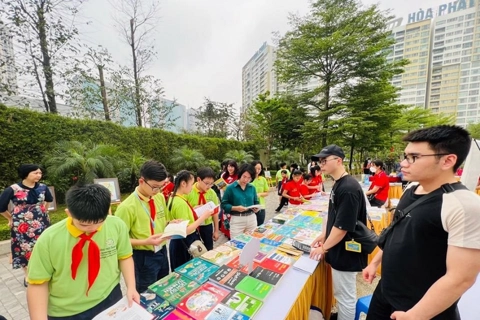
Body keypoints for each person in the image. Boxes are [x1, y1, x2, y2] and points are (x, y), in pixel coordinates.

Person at [363, 125, 480, 320]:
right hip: (385, 294)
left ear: (447, 160)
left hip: (422, 308)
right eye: (405, 156)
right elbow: (397, 234)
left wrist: (417, 315)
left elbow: (461, 278)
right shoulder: (412, 188)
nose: (403, 163)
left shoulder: (464, 206)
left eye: (414, 158)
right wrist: (374, 262)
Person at [26, 184, 138, 320]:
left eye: (99, 222)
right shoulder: (49, 239)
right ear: (69, 213)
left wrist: (131, 287)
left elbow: (124, 257)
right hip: (67, 312)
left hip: (110, 298)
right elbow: (38, 284)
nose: (93, 228)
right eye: (84, 225)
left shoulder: (116, 225)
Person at [309, 145, 368, 320]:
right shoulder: (339, 183)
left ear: (339, 160)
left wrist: (324, 248)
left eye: (325, 160)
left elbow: (343, 227)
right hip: (340, 249)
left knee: (346, 297)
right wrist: (324, 235)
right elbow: (336, 218)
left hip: (346, 251)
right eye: (320, 161)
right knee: (341, 293)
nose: (321, 164)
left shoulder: (348, 187)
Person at [115, 160, 170, 293]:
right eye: (155, 187)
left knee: (164, 287)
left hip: (162, 251)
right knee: (146, 293)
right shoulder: (127, 207)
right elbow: (119, 241)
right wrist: (145, 241)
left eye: (161, 186)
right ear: (141, 181)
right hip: (143, 257)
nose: (158, 191)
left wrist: (172, 224)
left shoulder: (159, 197)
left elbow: (164, 221)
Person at [0, 164, 53, 287]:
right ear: (26, 174)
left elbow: (48, 200)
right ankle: (27, 275)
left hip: (42, 222)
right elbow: (1, 207)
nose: (39, 175)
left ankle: (46, 271)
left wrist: (43, 211)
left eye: (40, 173)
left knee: (44, 246)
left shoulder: (43, 187)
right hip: (22, 225)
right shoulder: (13, 189)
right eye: (35, 173)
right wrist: (11, 218)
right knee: (25, 248)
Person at [167, 170, 214, 270]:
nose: (192, 188)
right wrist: (203, 217)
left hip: (177, 242)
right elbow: (186, 230)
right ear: (183, 183)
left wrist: (193, 210)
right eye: (191, 184)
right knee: (185, 270)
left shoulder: (174, 197)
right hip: (183, 243)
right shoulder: (180, 203)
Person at [221, 164, 260, 239]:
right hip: (237, 219)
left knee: (253, 241)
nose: (246, 180)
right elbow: (223, 204)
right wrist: (235, 208)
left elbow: (256, 201)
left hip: (251, 218)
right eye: (244, 176)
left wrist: (256, 207)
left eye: (249, 178)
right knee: (236, 243)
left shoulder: (252, 188)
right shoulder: (230, 188)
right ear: (240, 174)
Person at [186, 167, 220, 251]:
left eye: (212, 183)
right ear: (198, 179)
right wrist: (193, 210)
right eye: (207, 183)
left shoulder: (212, 193)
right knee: (195, 250)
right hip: (193, 227)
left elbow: (215, 213)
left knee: (209, 249)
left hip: (207, 225)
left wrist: (216, 230)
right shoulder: (188, 191)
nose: (209, 186)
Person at [250, 160, 269, 226]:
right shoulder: (247, 179)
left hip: (261, 207)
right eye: (255, 168)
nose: (257, 170)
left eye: (259, 169)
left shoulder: (263, 179)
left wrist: (260, 194)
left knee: (260, 226)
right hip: (250, 207)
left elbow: (267, 192)